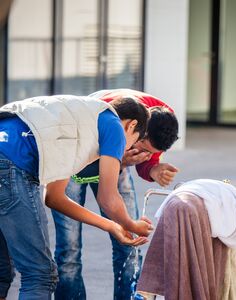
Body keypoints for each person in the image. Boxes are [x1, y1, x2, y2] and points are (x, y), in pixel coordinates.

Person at [0, 95, 152, 299]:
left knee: (2, 269)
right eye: (133, 142)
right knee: (39, 274)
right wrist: (132, 225)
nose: (126, 149)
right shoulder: (113, 124)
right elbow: (108, 197)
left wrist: (112, 226)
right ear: (132, 125)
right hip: (10, 167)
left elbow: (54, 198)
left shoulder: (75, 121)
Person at [52, 89, 179, 300]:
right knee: (69, 249)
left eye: (151, 152)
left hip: (116, 159)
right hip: (77, 158)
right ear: (135, 128)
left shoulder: (164, 123)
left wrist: (152, 168)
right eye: (143, 148)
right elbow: (106, 196)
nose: (146, 154)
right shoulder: (112, 112)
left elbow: (145, 158)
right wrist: (118, 158)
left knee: (129, 245)